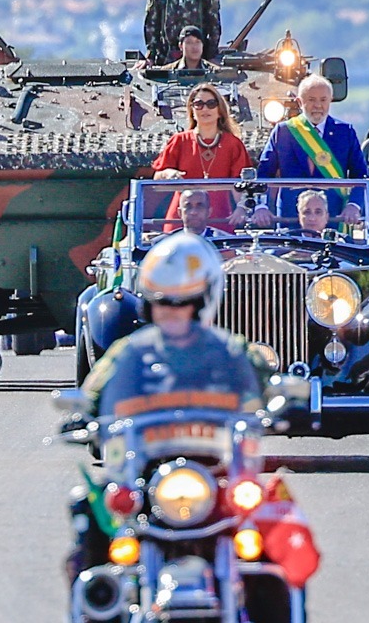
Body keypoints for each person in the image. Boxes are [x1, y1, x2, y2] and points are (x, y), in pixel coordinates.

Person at [68, 233, 270, 575]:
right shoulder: (128, 352)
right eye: (163, 303)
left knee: (277, 516)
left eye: (183, 303)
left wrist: (282, 400)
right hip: (146, 469)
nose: (172, 312)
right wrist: (81, 414)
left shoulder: (234, 351)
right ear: (149, 305)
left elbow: (267, 387)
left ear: (203, 302)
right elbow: (94, 392)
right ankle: (94, 603)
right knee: (88, 507)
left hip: (218, 470)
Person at [255, 74, 368, 226]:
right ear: (300, 102)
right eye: (311, 100)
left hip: (334, 218)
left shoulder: (345, 132)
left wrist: (354, 205)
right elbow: (264, 174)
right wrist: (261, 206)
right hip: (291, 219)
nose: (318, 106)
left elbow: (360, 175)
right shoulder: (284, 131)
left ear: (330, 100)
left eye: (323, 100)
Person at [151, 83, 252, 229]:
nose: (205, 109)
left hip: (220, 220)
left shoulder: (233, 144)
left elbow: (240, 184)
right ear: (192, 110)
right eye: (199, 104)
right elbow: (156, 178)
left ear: (220, 110)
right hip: (181, 221)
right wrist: (168, 173)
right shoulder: (179, 141)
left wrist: (241, 207)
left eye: (211, 104)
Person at [155, 25, 221, 72]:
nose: (194, 47)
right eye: (189, 42)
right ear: (181, 46)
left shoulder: (214, 71)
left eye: (198, 42)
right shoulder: (167, 71)